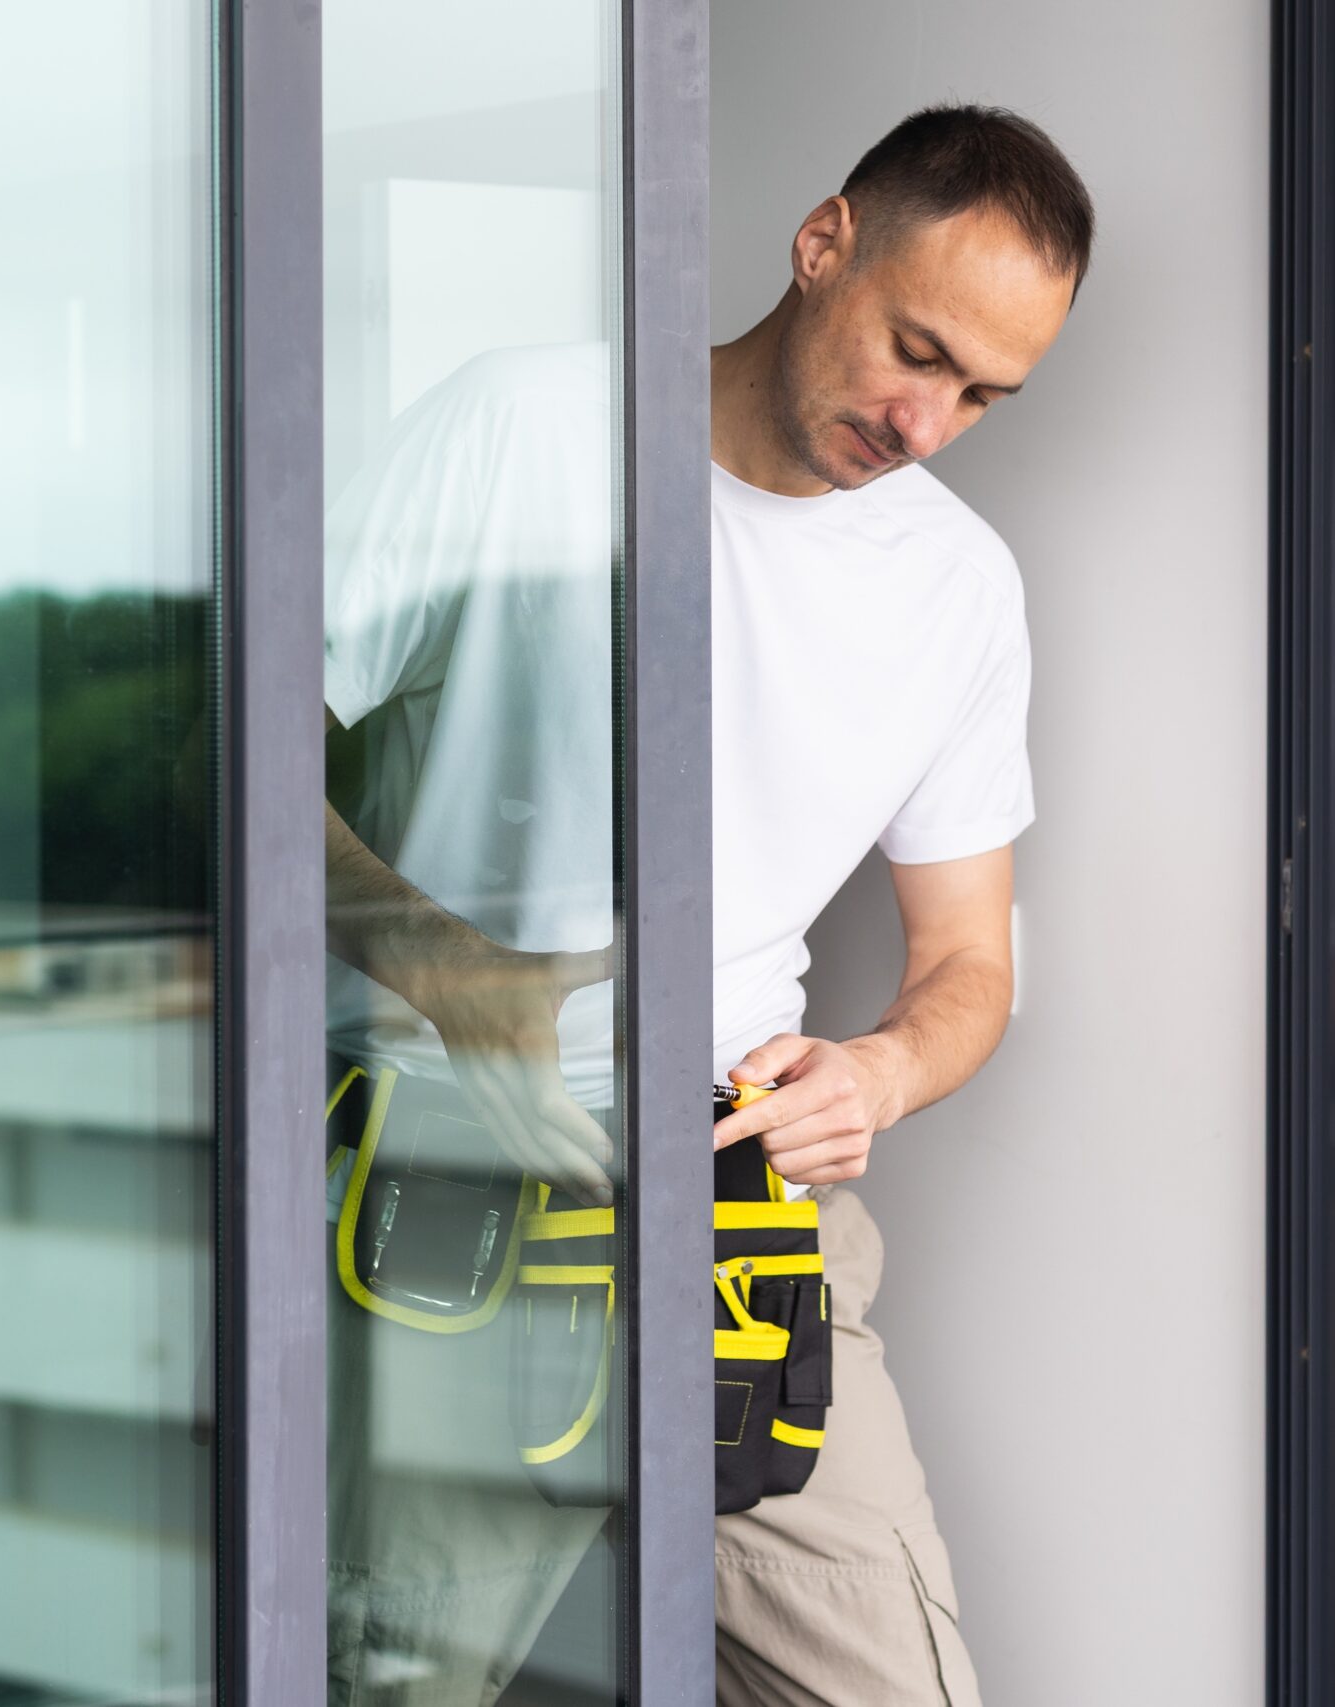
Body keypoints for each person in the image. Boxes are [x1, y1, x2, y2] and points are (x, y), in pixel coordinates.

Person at [321, 104, 1093, 1705]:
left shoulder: (959, 588)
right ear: (824, 245)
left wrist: (877, 1072)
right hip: (452, 1180)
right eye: (915, 348)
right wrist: (439, 963)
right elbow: (217, 732)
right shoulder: (526, 428)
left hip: (735, 1213)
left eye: (982, 396)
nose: (926, 421)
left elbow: (967, 963)